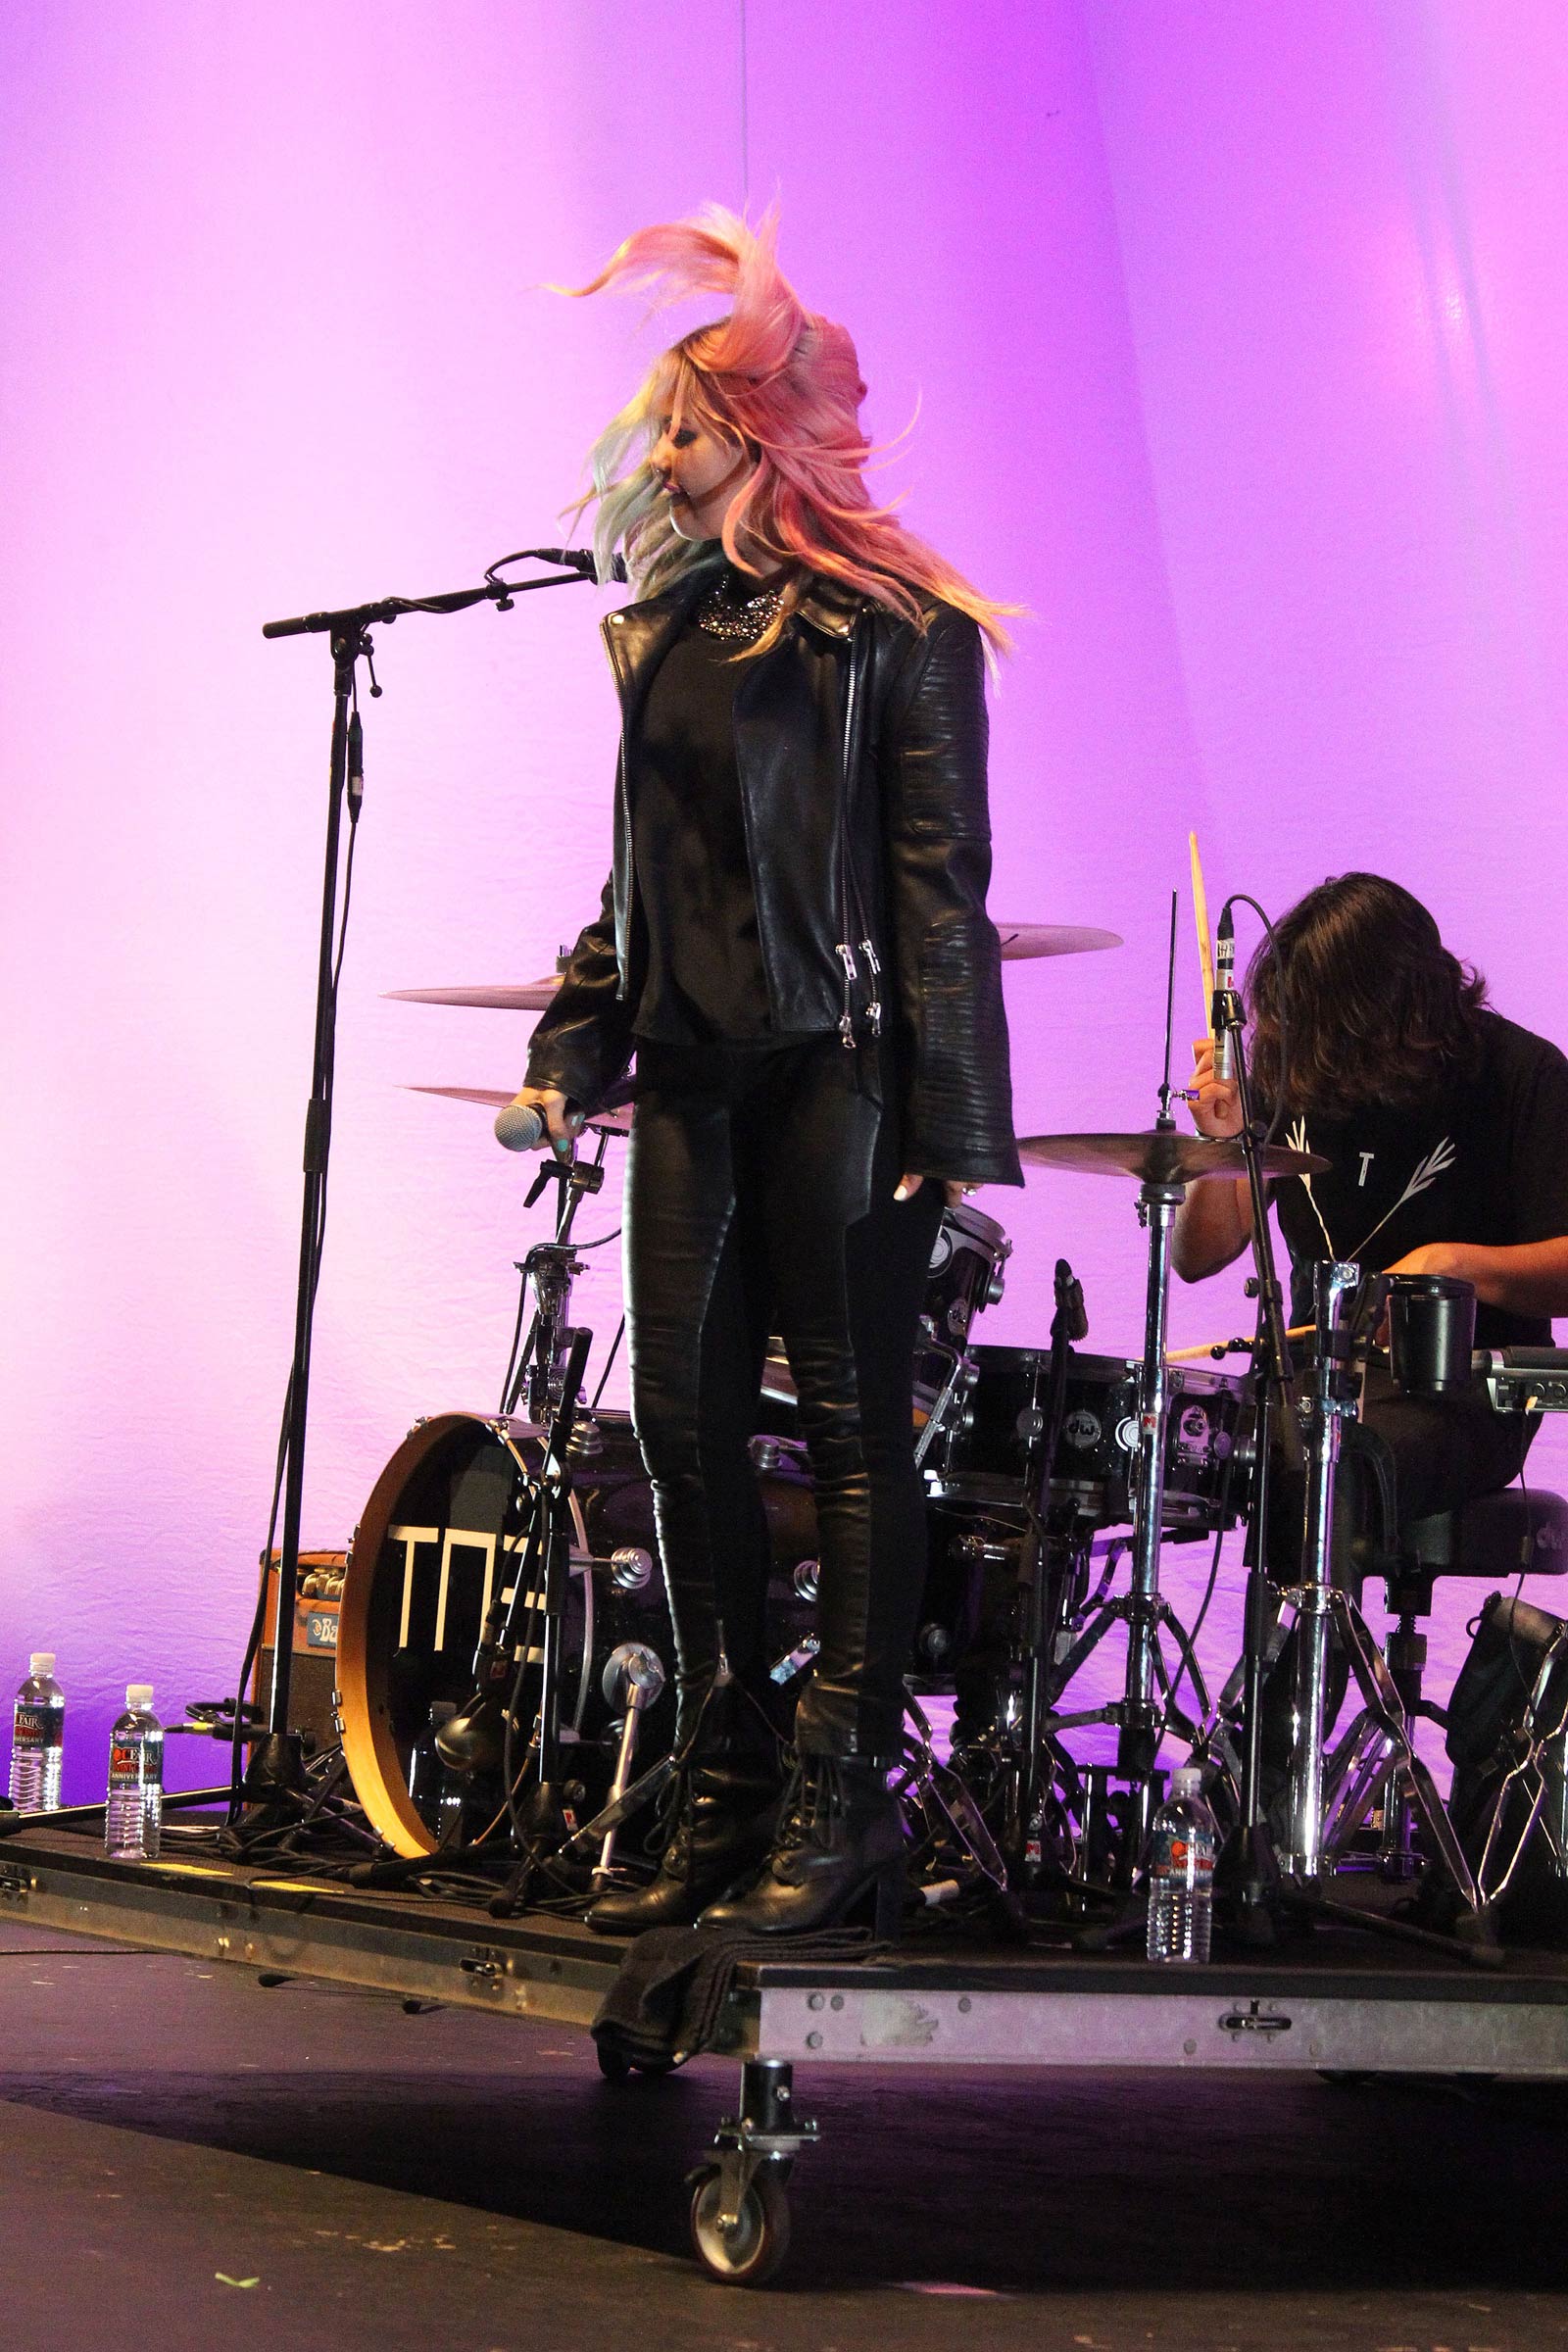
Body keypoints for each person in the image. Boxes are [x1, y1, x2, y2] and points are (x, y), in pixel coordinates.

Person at [504, 208, 1021, 1937]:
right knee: (680, 1427)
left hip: (847, 1071)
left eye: (694, 417)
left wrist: (949, 1120)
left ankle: (839, 1792)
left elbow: (940, 886)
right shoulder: (657, 634)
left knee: (863, 1443)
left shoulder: (898, 631)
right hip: (700, 1076)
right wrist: (577, 1043)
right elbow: (634, 883)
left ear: (768, 425)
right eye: (664, 420)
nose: (665, 448)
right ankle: (724, 1791)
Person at [1174, 872, 1568, 1631]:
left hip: (1466, 1395)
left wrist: (1458, 1266)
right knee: (1175, 1436)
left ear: (1386, 1012)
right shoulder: (1297, 1068)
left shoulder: (1523, 1077)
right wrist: (1215, 1145)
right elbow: (1200, 1255)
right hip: (1311, 1374)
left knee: (1331, 1456)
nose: (1292, 1053)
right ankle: (1267, 1707)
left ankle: (1289, 1712)